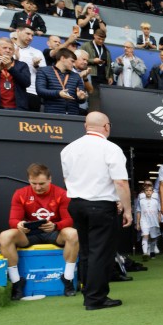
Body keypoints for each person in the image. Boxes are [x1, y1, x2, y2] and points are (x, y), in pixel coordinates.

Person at [61, 112, 132, 310]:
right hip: (101, 205)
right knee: (100, 252)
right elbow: (120, 181)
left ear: (86, 126)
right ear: (107, 127)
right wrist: (127, 209)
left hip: (76, 203)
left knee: (86, 251)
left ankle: (88, 293)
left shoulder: (68, 149)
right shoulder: (111, 148)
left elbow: (67, 179)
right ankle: (95, 298)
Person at [0, 163, 79, 300]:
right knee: (5, 236)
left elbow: (68, 220)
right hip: (30, 233)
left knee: (73, 233)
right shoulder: (20, 194)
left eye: (42, 183)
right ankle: (17, 282)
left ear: (50, 179)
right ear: (29, 180)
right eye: (33, 183)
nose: (37, 187)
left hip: (55, 232)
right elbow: (13, 220)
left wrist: (55, 225)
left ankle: (68, 279)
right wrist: (19, 225)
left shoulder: (61, 194)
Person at [36, 48, 87, 115]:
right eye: (72, 61)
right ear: (63, 58)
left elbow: (81, 100)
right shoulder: (44, 71)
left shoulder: (76, 76)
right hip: (52, 114)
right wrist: (58, 93)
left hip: (73, 115)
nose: (74, 64)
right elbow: (40, 91)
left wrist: (81, 98)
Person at [0, 37, 31, 110]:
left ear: (13, 51)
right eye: (4, 48)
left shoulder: (22, 65)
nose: (8, 50)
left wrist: (10, 68)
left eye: (10, 49)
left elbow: (26, 83)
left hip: (17, 108)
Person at [136, 182, 161, 260]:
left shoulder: (156, 201)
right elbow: (138, 212)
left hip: (154, 221)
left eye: (150, 190)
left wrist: (159, 218)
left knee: (153, 238)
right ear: (144, 192)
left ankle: (152, 252)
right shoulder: (141, 201)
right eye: (147, 190)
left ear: (152, 192)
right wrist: (137, 223)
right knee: (145, 235)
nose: (148, 192)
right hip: (144, 221)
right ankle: (145, 253)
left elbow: (159, 210)